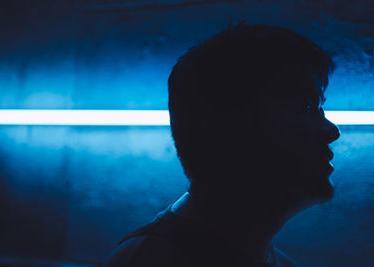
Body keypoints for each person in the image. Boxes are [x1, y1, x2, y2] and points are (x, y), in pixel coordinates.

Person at [106, 23, 340, 267]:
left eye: (318, 108)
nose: (332, 131)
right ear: (230, 124)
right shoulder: (150, 261)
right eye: (306, 106)